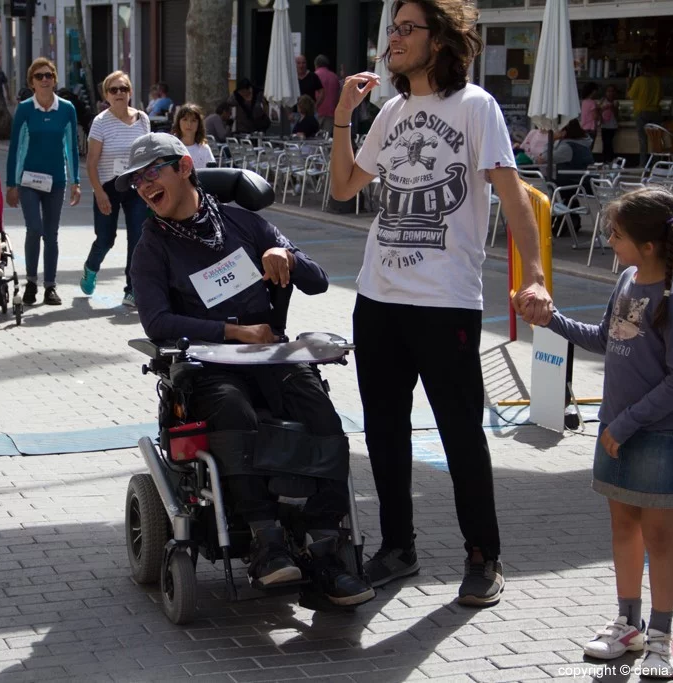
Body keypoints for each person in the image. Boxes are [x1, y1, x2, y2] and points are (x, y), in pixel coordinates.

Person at [328, 0, 553, 606]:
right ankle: (397, 548)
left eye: (406, 28)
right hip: (377, 298)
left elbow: (516, 199)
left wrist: (534, 278)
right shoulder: (393, 110)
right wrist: (345, 116)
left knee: (460, 434)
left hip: (446, 302)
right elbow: (344, 186)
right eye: (392, 29)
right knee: (384, 432)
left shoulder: (475, 106)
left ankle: (484, 555)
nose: (394, 38)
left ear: (440, 39)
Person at [124, 132, 375, 607]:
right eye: (135, 180)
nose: (142, 185)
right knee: (232, 408)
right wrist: (233, 333)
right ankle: (267, 543)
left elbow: (318, 281)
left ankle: (326, 549)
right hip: (206, 366)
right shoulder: (152, 246)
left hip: (270, 358)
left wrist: (288, 256)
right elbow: (156, 322)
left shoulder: (242, 222)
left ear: (182, 166)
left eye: (151, 172)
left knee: (321, 415)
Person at [538, 188, 673, 680]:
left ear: (649, 245)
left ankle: (661, 637)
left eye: (617, 234)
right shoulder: (628, 279)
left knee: (658, 536)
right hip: (617, 431)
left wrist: (626, 424)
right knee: (623, 526)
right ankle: (628, 623)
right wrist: (552, 321)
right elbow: (607, 339)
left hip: (657, 438)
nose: (609, 241)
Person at [6, 57, 81, 306]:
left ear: (55, 79)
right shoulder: (25, 109)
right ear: (32, 82)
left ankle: (50, 286)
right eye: (39, 76)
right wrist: (11, 184)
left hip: (56, 181)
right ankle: (30, 283)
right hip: (28, 180)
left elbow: (71, 146)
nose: (45, 79)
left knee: (51, 234)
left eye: (49, 75)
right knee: (34, 229)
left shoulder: (67, 109)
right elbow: (15, 148)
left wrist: (75, 181)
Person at [80, 70, 149, 305]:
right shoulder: (100, 123)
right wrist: (99, 192)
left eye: (123, 89)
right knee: (106, 238)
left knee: (138, 237)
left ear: (130, 92)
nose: (119, 93)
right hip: (108, 186)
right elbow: (91, 162)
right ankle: (91, 267)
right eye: (114, 90)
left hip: (136, 186)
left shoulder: (142, 119)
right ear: (106, 95)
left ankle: (132, 288)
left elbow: (147, 155)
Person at [628, 58, 662, 167]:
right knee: (655, 139)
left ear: (642, 68)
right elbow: (661, 96)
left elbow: (630, 95)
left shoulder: (639, 80)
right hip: (655, 112)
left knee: (643, 140)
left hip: (641, 112)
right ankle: (656, 164)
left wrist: (628, 84)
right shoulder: (657, 80)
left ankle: (643, 164)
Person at [172, 102, 214, 170]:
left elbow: (212, 173)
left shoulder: (204, 148)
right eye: (185, 119)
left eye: (193, 120)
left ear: (199, 124)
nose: (189, 124)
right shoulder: (171, 147)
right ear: (178, 122)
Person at [314, 55, 340, 134]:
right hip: (331, 112)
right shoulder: (334, 77)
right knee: (327, 138)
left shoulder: (314, 76)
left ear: (316, 64)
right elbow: (338, 95)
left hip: (317, 112)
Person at [600, 84, 620, 162]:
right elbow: (598, 111)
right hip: (604, 125)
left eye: (612, 91)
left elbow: (616, 115)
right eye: (609, 91)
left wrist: (612, 108)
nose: (610, 93)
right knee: (605, 143)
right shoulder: (603, 101)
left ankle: (610, 158)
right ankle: (605, 159)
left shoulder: (616, 102)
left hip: (612, 126)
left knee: (609, 142)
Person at [580, 82, 600, 146]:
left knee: (585, 147)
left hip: (584, 128)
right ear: (593, 91)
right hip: (591, 129)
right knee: (590, 148)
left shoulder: (584, 102)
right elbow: (595, 116)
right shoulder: (592, 103)